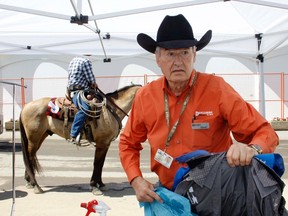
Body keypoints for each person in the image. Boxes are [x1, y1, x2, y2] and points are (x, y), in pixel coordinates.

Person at [118, 14, 279, 205]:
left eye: (185, 53)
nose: (178, 61)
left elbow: (265, 132)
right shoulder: (146, 96)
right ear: (158, 58)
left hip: (216, 195)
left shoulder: (217, 89)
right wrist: (136, 179)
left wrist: (252, 149)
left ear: (194, 55)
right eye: (170, 54)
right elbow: (128, 142)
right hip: (168, 194)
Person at [67, 56, 98, 144]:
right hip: (80, 92)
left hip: (73, 91)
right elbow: (90, 78)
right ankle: (73, 134)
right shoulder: (86, 61)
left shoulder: (73, 60)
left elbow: (70, 77)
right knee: (85, 109)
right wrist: (94, 84)